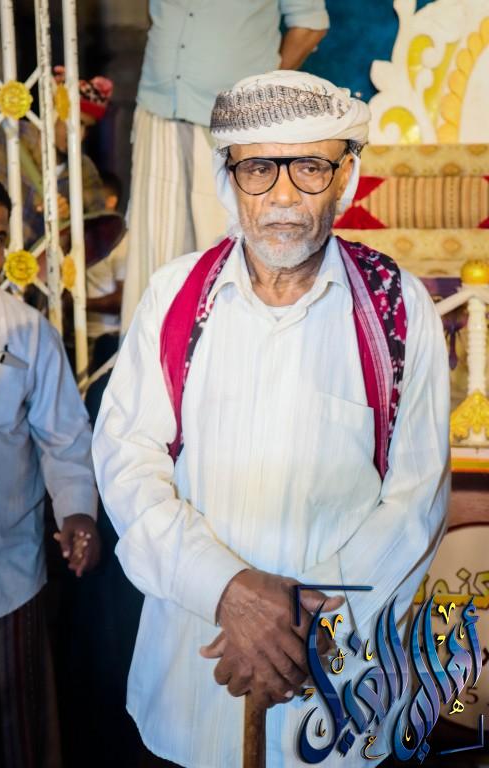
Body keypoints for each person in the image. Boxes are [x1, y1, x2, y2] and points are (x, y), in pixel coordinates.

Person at [93, 72, 450, 767]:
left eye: (310, 167)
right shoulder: (174, 296)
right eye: (258, 169)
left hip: (337, 687)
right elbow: (127, 461)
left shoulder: (398, 309)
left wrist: (302, 627)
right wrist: (226, 590)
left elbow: (416, 501)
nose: (283, 196)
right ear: (228, 180)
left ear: (345, 177)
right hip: (192, 675)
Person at [0, 171, 100, 768]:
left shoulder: (28, 333)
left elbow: (65, 439)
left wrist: (77, 513)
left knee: (17, 735)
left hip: (6, 571)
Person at [121, 0, 330, 331]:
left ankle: (227, 351)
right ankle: (156, 353)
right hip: (157, 108)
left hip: (231, 127)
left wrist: (257, 95)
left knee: (226, 249)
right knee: (154, 249)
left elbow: (309, 25)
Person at [0, 69, 113, 249]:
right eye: (76, 122)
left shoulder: (85, 169)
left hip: (40, 262)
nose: (79, 134)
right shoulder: (10, 134)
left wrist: (69, 214)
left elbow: (97, 230)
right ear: (53, 110)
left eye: (87, 128)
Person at [86, 170, 127, 370]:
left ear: (111, 201)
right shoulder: (84, 235)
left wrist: (78, 304)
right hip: (79, 336)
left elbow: (122, 299)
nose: (88, 202)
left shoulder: (122, 242)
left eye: (95, 197)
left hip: (107, 338)